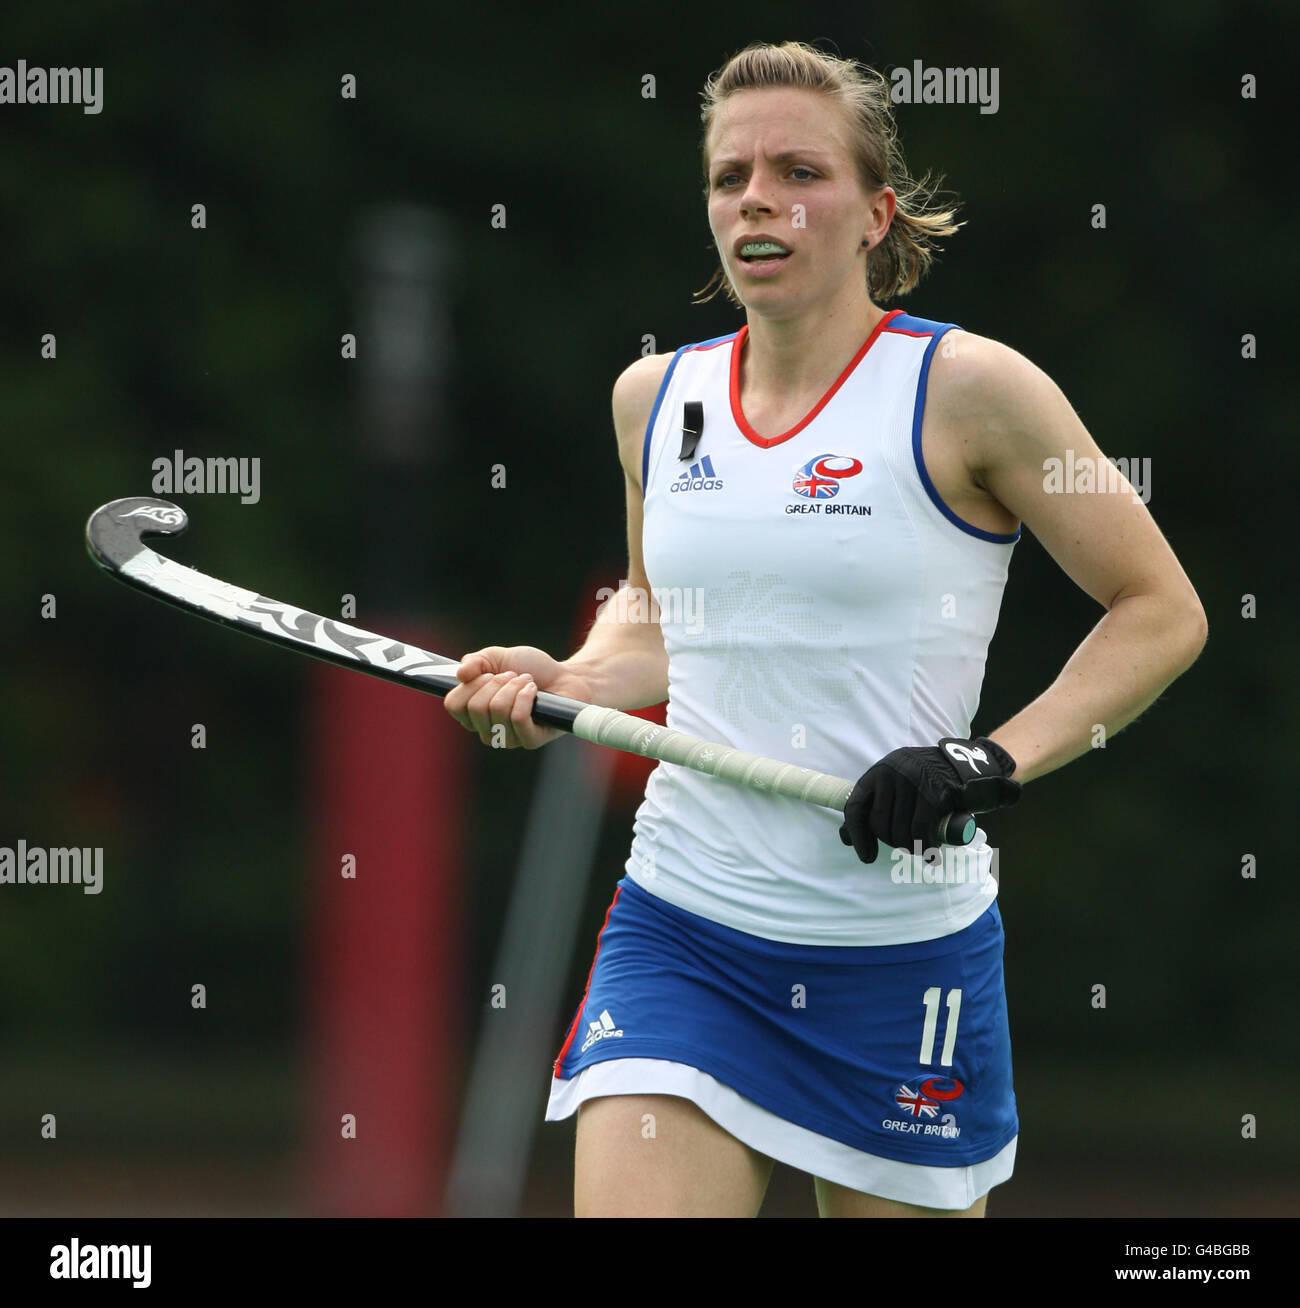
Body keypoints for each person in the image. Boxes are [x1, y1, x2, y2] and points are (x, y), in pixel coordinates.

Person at [443, 40, 1207, 1218]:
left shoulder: (971, 390)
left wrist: (985, 759)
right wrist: (568, 681)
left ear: (873, 213)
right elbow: (657, 618)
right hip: (684, 932)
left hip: (898, 962)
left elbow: (1158, 612)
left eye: (799, 170)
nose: (758, 197)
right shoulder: (655, 398)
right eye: (730, 175)